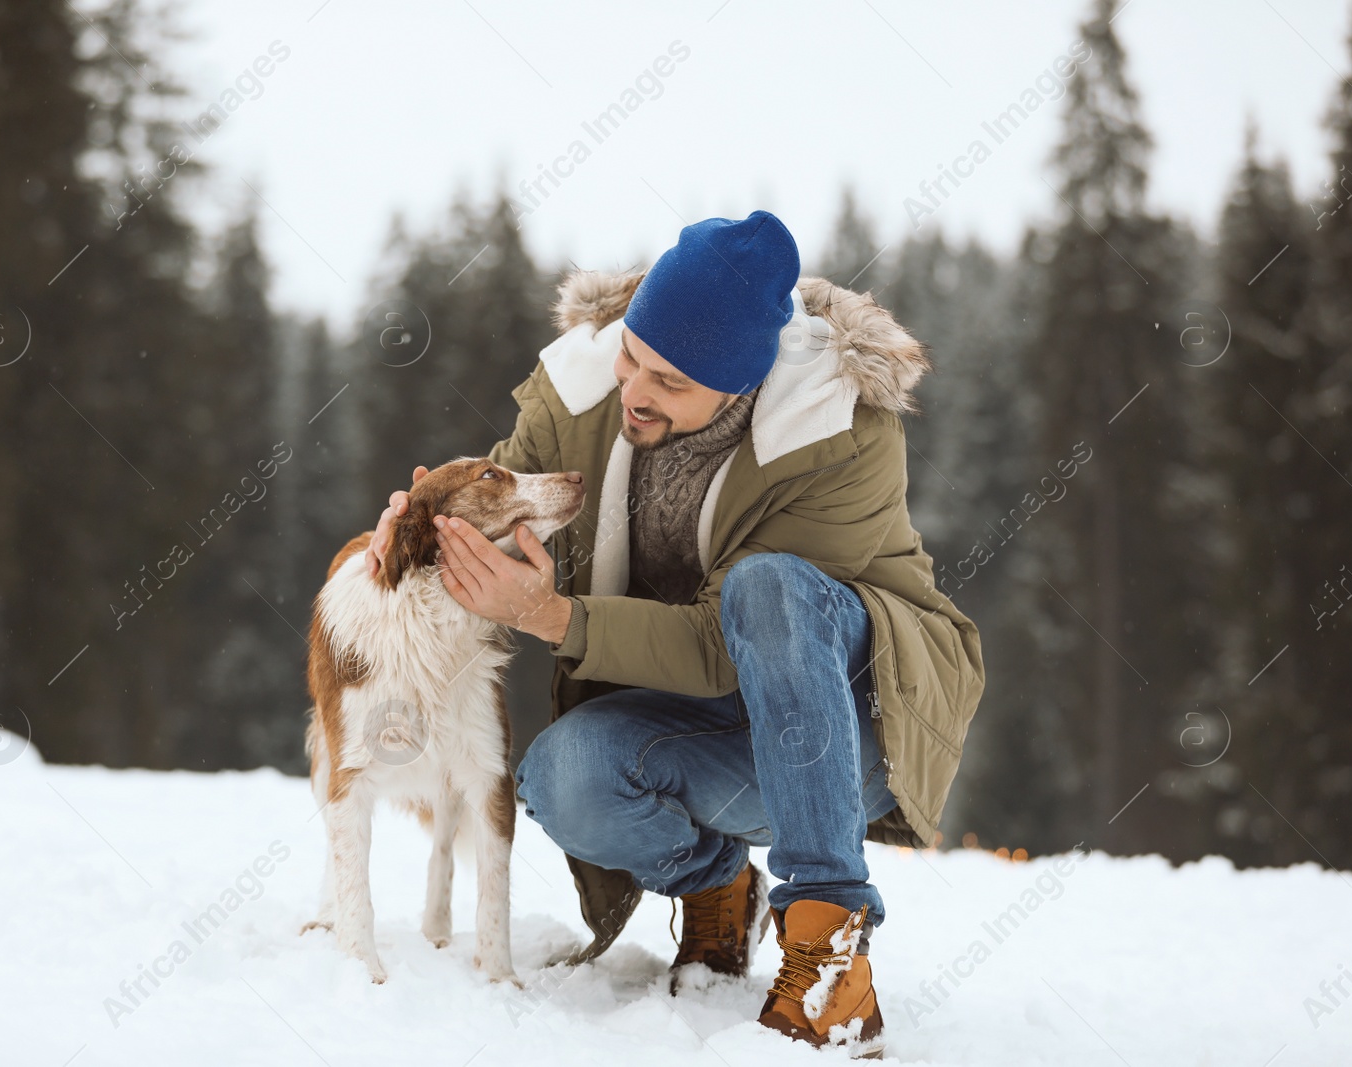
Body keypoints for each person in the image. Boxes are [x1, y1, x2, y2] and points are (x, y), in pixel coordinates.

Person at [366, 210, 983, 1057]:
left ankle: (827, 950)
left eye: (670, 380)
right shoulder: (581, 388)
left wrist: (550, 615)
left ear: (740, 381)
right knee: (563, 774)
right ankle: (720, 888)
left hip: (853, 732)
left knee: (769, 590)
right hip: (709, 742)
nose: (635, 389)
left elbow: (721, 644)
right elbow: (506, 489)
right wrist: (425, 519)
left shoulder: (839, 439)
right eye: (632, 354)